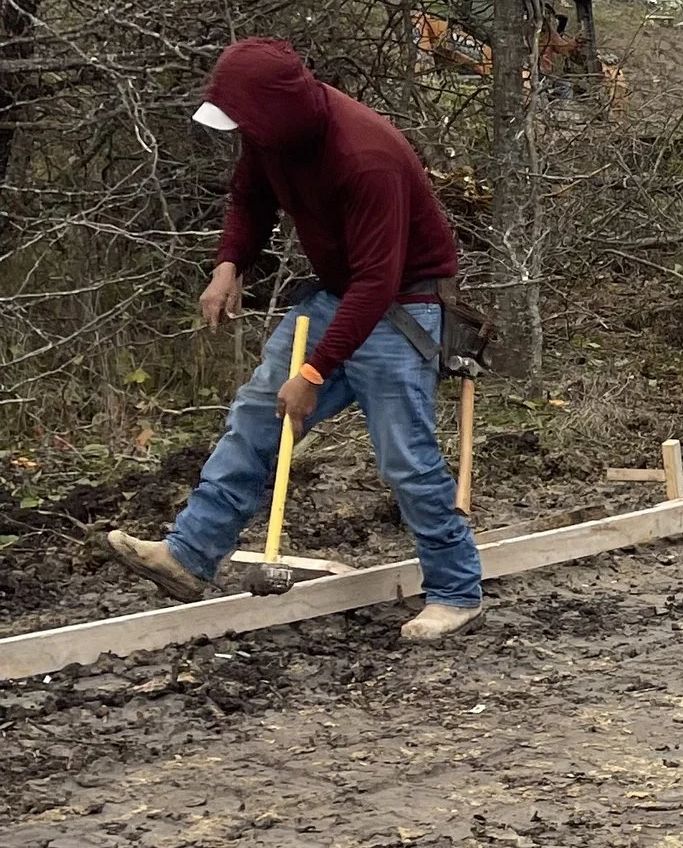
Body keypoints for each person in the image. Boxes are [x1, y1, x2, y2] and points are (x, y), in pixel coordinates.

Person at [106, 37, 485, 644]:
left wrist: (311, 375)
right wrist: (229, 264)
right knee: (256, 416)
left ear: (276, 110)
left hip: (402, 304)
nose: (240, 134)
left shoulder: (366, 156)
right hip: (340, 294)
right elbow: (249, 200)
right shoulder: (269, 136)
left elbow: (377, 280)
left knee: (405, 459)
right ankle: (188, 555)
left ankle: (456, 591)